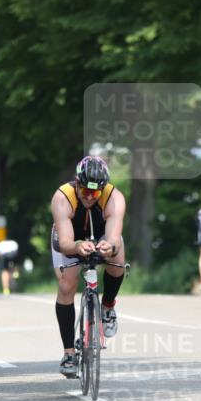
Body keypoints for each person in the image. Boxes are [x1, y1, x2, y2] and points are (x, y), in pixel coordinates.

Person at [50, 155, 126, 378]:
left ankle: (108, 307)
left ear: (103, 188)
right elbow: (65, 244)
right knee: (67, 285)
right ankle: (69, 353)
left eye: (95, 192)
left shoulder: (115, 198)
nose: (89, 197)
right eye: (84, 190)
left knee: (118, 261)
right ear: (77, 183)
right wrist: (78, 245)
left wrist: (108, 247)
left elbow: (114, 238)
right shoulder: (62, 197)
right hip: (70, 236)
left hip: (102, 233)